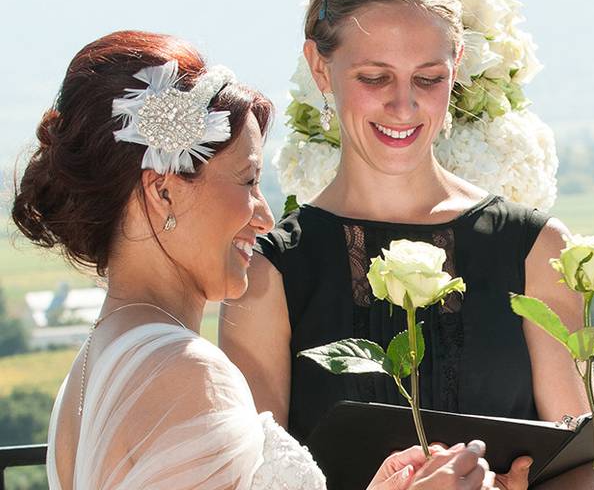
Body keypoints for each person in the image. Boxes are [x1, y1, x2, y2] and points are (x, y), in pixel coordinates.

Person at [12, 30, 493, 490]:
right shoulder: (186, 370)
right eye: (247, 181)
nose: (265, 217)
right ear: (163, 191)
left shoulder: (89, 371)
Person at [219, 0, 594, 489]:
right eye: (375, 77)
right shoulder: (267, 274)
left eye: (427, 79)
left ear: (457, 66)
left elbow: (580, 465)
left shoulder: (537, 250)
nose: (403, 106)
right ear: (320, 67)